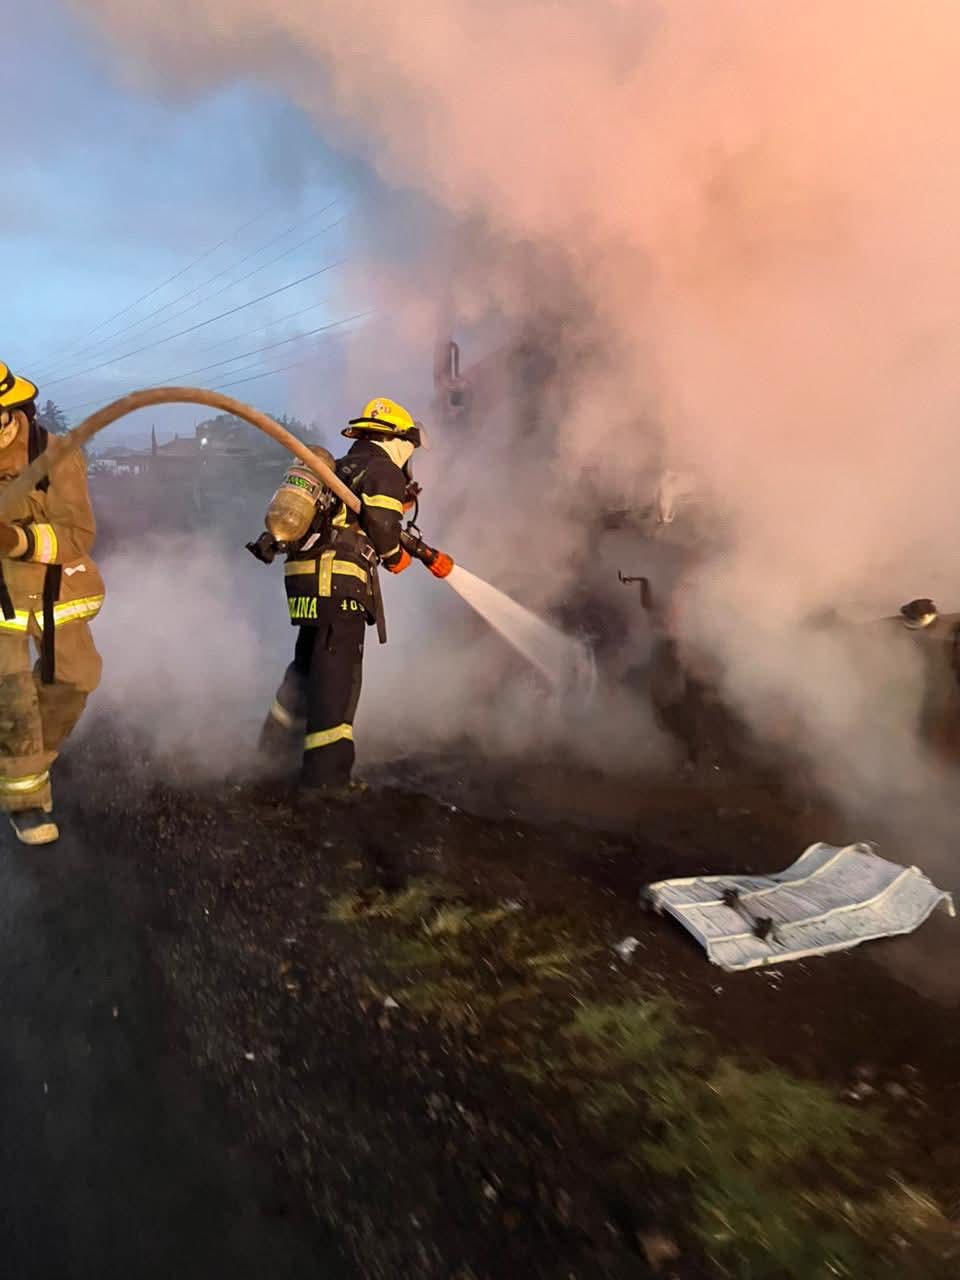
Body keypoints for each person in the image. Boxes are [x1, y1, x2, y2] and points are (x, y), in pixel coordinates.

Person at [254, 397, 423, 793]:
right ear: (397, 439)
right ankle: (326, 783)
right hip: (339, 586)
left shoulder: (339, 469)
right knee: (337, 681)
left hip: (305, 583)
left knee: (305, 670)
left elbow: (355, 521)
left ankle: (272, 755)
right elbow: (382, 527)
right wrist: (396, 556)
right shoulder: (382, 468)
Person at [0, 362, 104, 844]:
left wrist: (16, 540)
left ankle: (24, 759)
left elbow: (78, 535)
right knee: (13, 696)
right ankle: (27, 802)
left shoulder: (56, 455)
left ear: (13, 413)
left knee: (74, 681)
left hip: (51, 591)